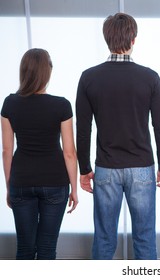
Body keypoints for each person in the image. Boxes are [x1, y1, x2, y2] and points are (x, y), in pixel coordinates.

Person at [76, 13, 160, 260]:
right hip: (142, 168)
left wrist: (84, 169)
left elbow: (83, 128)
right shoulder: (150, 77)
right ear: (133, 39)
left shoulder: (89, 77)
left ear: (106, 38)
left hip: (106, 168)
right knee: (145, 238)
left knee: (104, 239)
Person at [1, 48, 78, 260]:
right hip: (55, 183)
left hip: (21, 182)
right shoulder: (61, 105)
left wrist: (10, 187)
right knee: (46, 248)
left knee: (25, 249)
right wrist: (74, 189)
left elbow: (7, 150)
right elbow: (69, 152)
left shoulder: (9, 103)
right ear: (48, 73)